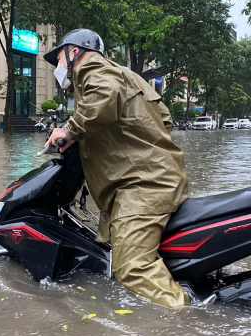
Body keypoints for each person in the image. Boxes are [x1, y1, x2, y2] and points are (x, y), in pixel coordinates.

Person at [44, 29, 191, 308]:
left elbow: (103, 99)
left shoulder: (91, 67)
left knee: (132, 268)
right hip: (152, 178)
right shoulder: (129, 76)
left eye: (59, 60)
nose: (59, 67)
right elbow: (164, 119)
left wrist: (68, 131)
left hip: (141, 186)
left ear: (73, 52)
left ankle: (185, 328)